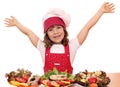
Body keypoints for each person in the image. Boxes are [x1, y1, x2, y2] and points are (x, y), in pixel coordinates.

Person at [4, 2, 115, 75]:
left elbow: (87, 27)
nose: (55, 32)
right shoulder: (43, 47)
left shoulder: (72, 46)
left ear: (64, 30)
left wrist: (101, 11)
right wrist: (17, 23)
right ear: (46, 33)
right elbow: (28, 33)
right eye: (51, 29)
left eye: (58, 27)